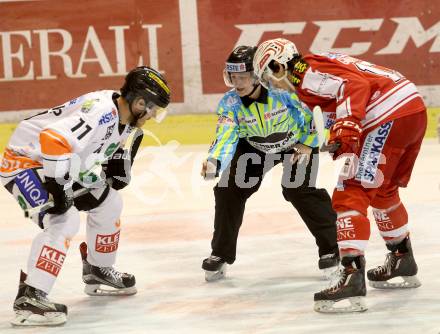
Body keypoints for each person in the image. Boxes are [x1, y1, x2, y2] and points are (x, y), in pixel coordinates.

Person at [253, 38, 426, 313]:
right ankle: (402, 258)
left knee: (351, 189)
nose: (272, 86)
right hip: (411, 109)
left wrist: (347, 125)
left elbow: (355, 86)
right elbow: (341, 97)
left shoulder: (303, 72)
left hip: (386, 114)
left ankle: (351, 277)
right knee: (383, 191)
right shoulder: (317, 66)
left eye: (268, 77)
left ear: (278, 65)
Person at [0, 66, 171, 326]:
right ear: (139, 102)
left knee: (109, 202)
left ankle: (97, 270)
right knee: (63, 220)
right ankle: (30, 297)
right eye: (152, 109)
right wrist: (58, 190)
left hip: (54, 163)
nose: (152, 115)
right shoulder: (101, 112)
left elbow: (93, 152)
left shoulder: (123, 118)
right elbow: (52, 139)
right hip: (22, 163)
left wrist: (111, 170)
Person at [200, 45, 339, 282]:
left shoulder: (283, 91)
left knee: (298, 189)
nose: (238, 83)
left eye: (242, 77)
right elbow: (226, 133)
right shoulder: (230, 103)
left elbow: (316, 113)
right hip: (255, 148)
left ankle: (332, 249)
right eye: (232, 77)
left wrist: (308, 142)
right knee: (228, 190)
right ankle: (220, 254)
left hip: (296, 144)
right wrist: (215, 160)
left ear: (256, 75)